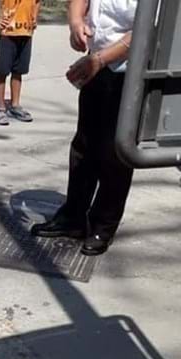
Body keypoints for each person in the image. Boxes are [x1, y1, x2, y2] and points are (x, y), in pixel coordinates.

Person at [30, 0, 137, 256]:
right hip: (96, 65)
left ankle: (103, 224)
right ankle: (73, 216)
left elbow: (147, 31)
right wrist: (76, 22)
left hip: (130, 73)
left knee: (115, 152)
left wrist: (100, 60)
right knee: (84, 145)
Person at [0, 0, 40, 125]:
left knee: (18, 71)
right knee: (2, 71)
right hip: (8, 34)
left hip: (26, 33)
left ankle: (15, 105)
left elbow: (37, 2)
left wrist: (34, 17)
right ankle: (0, 108)